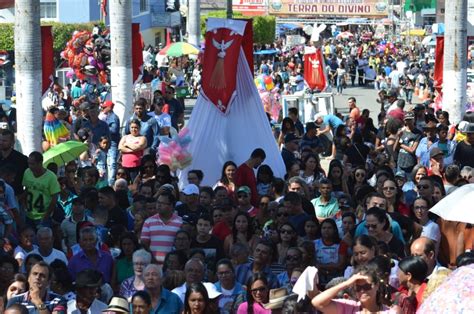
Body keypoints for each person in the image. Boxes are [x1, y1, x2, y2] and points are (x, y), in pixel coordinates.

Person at [311, 265, 401, 313]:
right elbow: (317, 302)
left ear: (377, 285)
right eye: (358, 288)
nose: (362, 291)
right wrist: (346, 283)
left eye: (367, 286)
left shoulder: (392, 311)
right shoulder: (348, 307)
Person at [140, 191, 182, 265]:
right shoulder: (148, 222)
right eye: (158, 202)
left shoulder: (180, 222)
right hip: (153, 265)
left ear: (171, 205)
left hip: (173, 266)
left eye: (162, 203)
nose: (158, 205)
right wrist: (152, 259)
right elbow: (144, 244)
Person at [21, 151, 61, 227]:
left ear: (40, 163)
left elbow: (54, 198)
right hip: (29, 215)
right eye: (29, 163)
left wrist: (46, 216)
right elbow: (26, 190)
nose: (30, 166)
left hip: (43, 216)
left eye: (32, 164)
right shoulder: (27, 172)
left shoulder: (51, 177)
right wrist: (24, 206)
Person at [0, 129, 28, 196]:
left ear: (12, 142)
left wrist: (22, 196)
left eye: (4, 141)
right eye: (0, 140)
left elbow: (30, 180)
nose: (1, 142)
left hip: (16, 196)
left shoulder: (22, 159)